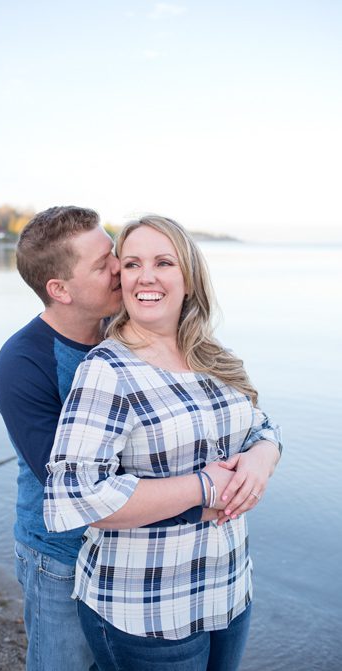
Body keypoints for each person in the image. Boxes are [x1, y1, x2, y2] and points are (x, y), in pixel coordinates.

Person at [43, 215, 281, 671]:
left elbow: (264, 426)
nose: (146, 276)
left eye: (163, 262)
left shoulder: (212, 355)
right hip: (145, 608)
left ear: (188, 278)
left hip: (228, 588)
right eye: (131, 264)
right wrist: (202, 488)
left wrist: (261, 458)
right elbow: (73, 498)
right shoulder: (107, 371)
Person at [0, 206, 209, 671]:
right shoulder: (22, 363)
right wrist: (201, 496)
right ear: (60, 290)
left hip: (137, 550)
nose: (120, 268)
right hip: (61, 557)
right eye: (102, 264)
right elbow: (69, 487)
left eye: (114, 252)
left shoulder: (128, 332)